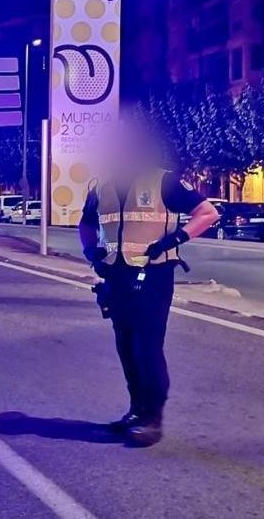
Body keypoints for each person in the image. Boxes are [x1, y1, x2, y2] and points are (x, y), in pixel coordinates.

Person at [78, 126, 218, 447]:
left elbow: (208, 213)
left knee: (147, 344)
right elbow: (86, 224)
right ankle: (136, 410)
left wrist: (175, 239)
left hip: (153, 276)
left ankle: (152, 418)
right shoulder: (101, 187)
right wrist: (91, 252)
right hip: (116, 276)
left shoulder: (163, 182)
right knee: (125, 344)